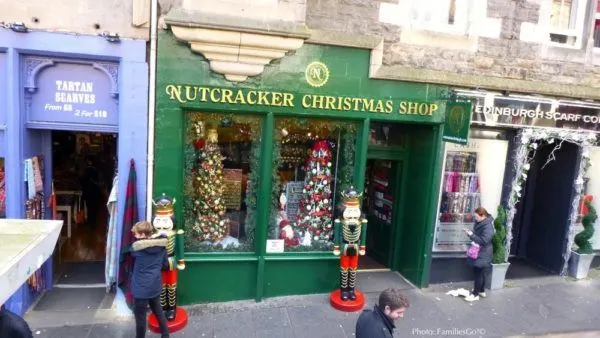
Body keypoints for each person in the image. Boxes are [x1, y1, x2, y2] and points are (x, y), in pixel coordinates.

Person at [130, 221, 170, 338]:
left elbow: (130, 252)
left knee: (141, 318)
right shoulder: (162, 248)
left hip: (141, 289)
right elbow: (166, 266)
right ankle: (165, 335)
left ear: (143, 235)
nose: (135, 236)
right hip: (155, 286)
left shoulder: (136, 249)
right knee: (158, 312)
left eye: (136, 234)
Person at [463, 207, 494, 302]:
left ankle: (475, 294)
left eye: (476, 217)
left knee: (478, 273)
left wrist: (471, 235)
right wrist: (471, 233)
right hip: (481, 251)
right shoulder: (482, 223)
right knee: (481, 272)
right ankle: (481, 290)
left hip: (482, 252)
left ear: (483, 216)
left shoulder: (488, 226)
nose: (475, 218)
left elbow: (484, 240)